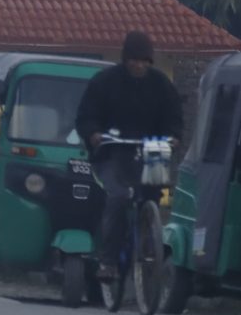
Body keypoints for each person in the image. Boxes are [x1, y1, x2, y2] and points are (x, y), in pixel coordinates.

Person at [74, 30, 184, 282]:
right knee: (120, 197)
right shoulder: (104, 82)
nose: (139, 65)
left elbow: (174, 118)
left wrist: (174, 136)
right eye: (134, 60)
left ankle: (149, 246)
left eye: (144, 61)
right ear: (125, 59)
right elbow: (86, 117)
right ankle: (108, 261)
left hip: (152, 149)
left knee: (153, 198)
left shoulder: (162, 86)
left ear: (150, 61)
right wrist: (93, 134)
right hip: (112, 151)